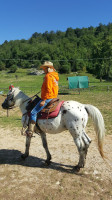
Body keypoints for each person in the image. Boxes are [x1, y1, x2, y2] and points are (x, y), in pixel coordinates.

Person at [26, 61, 59, 136]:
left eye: (44, 68)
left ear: (49, 68)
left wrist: (44, 100)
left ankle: (30, 131)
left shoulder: (48, 76)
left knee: (33, 112)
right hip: (53, 96)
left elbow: (48, 89)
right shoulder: (54, 76)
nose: (43, 70)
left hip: (48, 98)